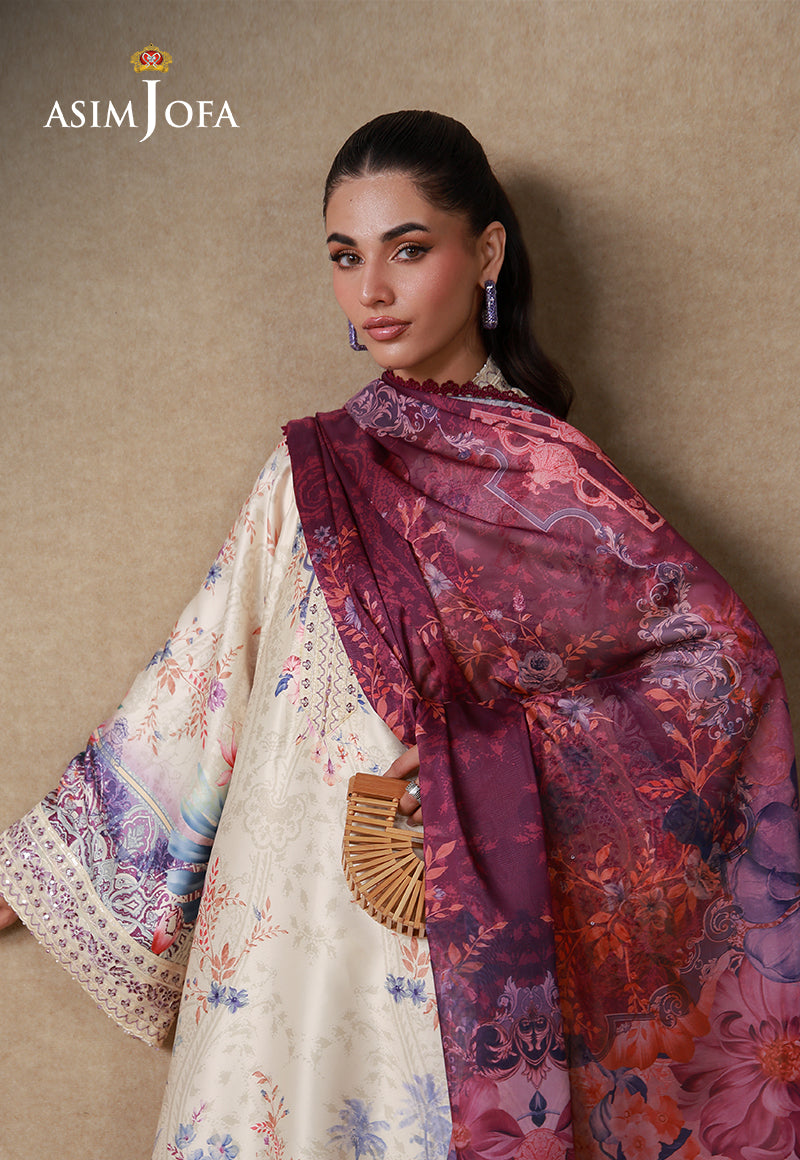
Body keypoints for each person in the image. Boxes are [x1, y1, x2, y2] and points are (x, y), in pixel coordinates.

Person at [1, 110, 798, 1160]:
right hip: (280, 938)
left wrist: (495, 761)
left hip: (444, 930)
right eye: (345, 257)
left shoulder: (554, 482)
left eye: (407, 249)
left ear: (487, 254)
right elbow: (202, 676)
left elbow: (717, 670)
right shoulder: (310, 474)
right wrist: (29, 875)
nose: (371, 289)